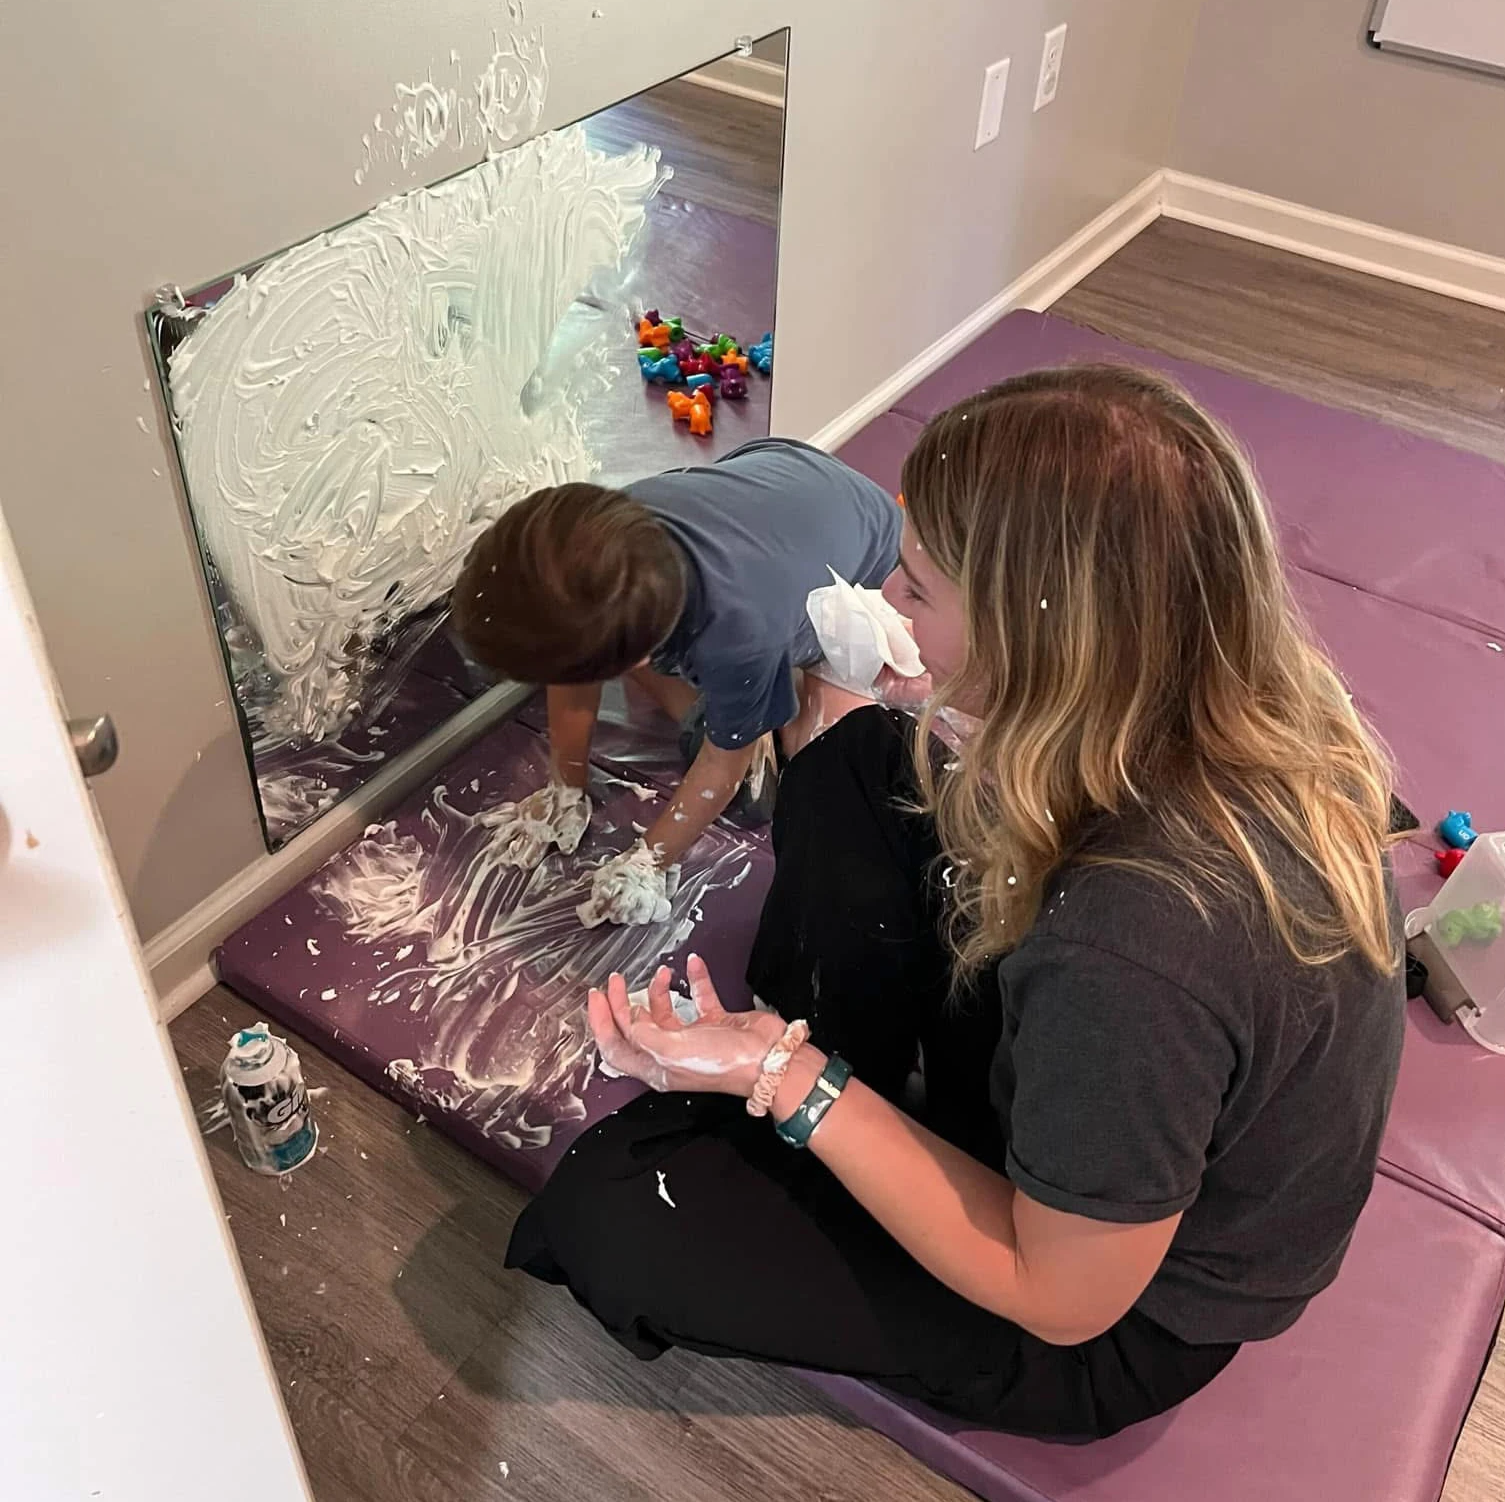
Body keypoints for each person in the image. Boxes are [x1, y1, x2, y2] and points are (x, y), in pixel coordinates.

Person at [505, 366, 1407, 1439]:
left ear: (1047, 642)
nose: (886, 600)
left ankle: (837, 1093)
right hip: (1117, 1105)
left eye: (917, 589)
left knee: (615, 1212)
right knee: (855, 765)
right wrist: (952, 700)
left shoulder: (1138, 953)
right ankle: (856, 1084)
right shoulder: (1234, 689)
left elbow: (1065, 1296)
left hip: (1116, 1308)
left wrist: (781, 1073)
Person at [450, 437, 901, 925]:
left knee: (765, 792)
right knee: (617, 651)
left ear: (642, 655)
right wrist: (566, 785)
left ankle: (756, 712)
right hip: (782, 479)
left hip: (863, 572)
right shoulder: (611, 537)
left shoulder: (737, 636)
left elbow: (722, 768)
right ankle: (738, 707)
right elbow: (575, 675)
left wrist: (650, 859)